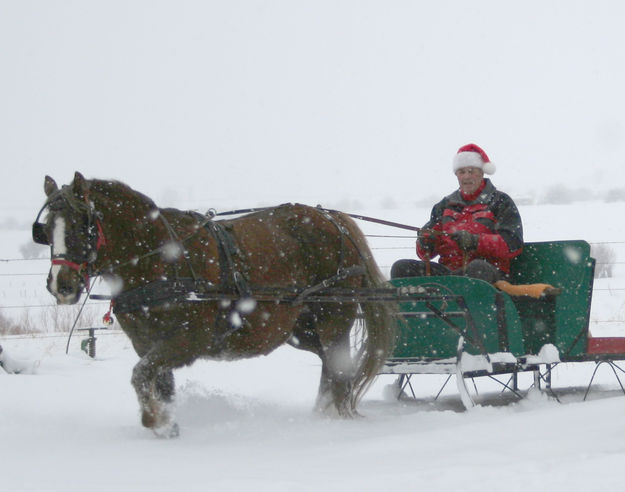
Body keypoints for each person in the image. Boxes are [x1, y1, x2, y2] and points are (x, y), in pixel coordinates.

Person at [391, 143, 523, 284]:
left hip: (490, 274)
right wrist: (426, 241)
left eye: (471, 171)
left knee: (477, 268)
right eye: (462, 172)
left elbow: (513, 245)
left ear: (481, 172)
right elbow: (424, 254)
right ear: (456, 175)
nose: (466, 177)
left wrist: (476, 242)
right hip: (449, 274)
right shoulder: (444, 205)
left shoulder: (500, 202)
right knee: (401, 268)